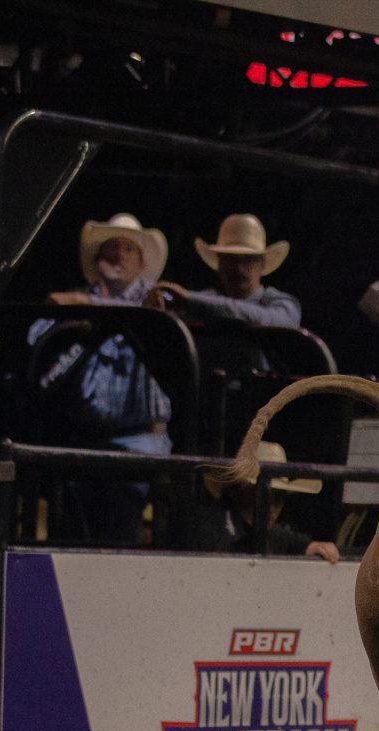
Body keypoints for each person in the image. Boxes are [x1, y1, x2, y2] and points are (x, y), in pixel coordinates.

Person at [34, 212, 176, 543]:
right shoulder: (73, 300)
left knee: (119, 529)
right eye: (112, 247)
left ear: (141, 263)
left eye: (128, 248)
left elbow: (166, 320)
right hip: (82, 438)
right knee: (71, 531)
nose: (119, 254)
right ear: (98, 259)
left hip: (140, 444)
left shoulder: (158, 302)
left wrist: (83, 305)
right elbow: (36, 337)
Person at [172, 442, 340, 563]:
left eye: (279, 498)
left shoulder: (273, 533)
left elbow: (299, 544)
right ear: (237, 492)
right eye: (263, 494)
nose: (272, 506)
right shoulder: (209, 527)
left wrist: (316, 548)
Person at [146, 214, 302, 329]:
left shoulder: (283, 303)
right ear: (219, 264)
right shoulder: (203, 300)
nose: (238, 268)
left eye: (247, 260)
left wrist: (188, 299)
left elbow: (278, 321)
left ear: (262, 265)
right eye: (231, 259)